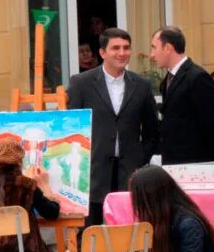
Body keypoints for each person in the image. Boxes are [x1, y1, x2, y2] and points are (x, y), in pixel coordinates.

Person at [65, 28, 160, 226]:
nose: (122, 53)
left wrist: (140, 160)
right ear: (102, 53)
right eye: (115, 48)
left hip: (130, 173)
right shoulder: (81, 83)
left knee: (129, 233)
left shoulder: (141, 85)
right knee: (92, 237)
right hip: (93, 173)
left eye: (126, 48)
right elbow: (71, 128)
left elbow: (152, 131)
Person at [150, 26, 214, 164]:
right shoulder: (169, 79)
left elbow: (213, 126)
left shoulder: (197, 77)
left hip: (195, 164)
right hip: (174, 162)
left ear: (167, 48)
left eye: (154, 47)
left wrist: (208, 165)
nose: (151, 55)